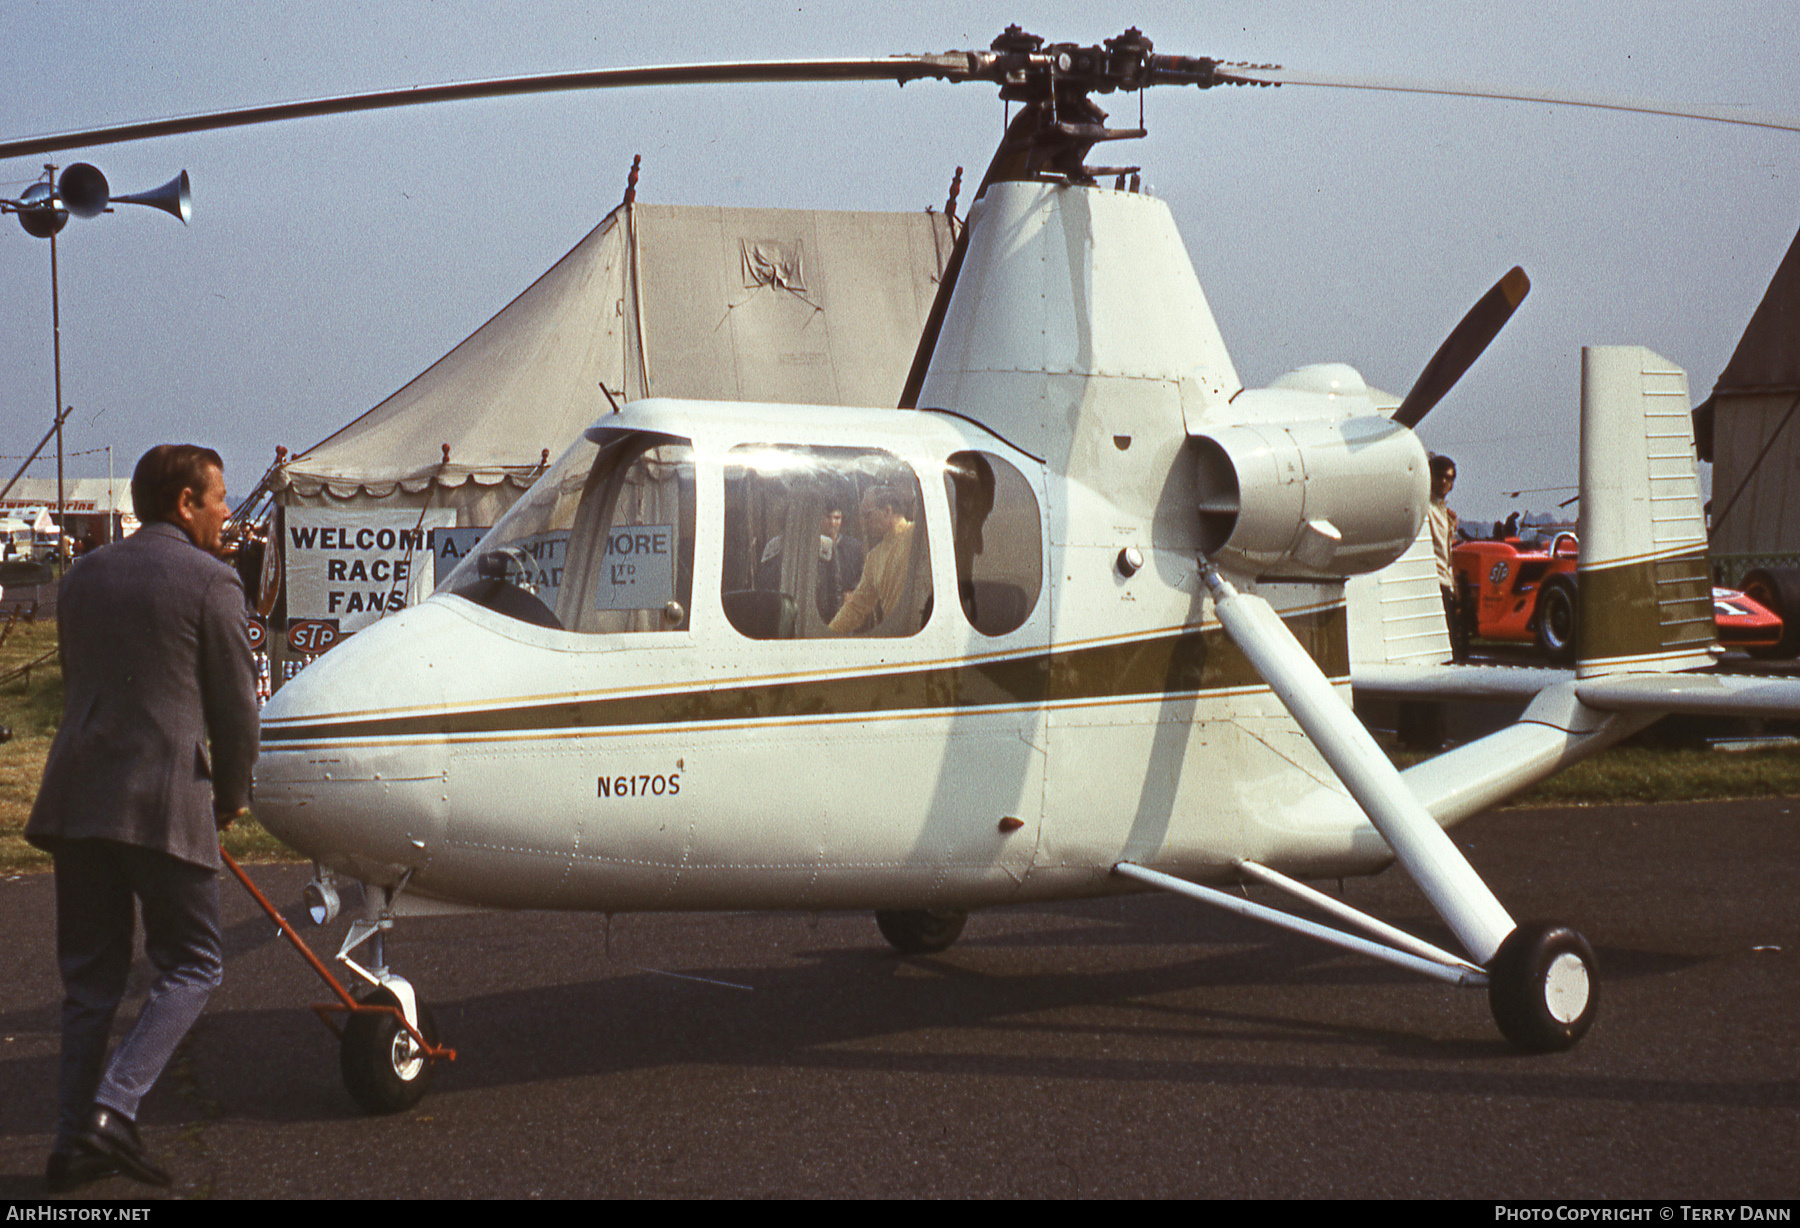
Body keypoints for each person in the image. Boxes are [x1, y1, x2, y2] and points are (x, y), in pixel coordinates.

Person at [26, 444, 259, 1192]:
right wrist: (231, 795)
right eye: (219, 496)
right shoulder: (212, 582)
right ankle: (112, 1111)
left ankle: (71, 1147)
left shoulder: (84, 575)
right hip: (164, 799)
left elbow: (87, 682)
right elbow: (236, 710)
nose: (229, 510)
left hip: (77, 796)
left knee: (90, 983)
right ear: (185, 502)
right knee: (194, 963)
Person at [828, 485, 924, 634]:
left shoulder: (918, 536)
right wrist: (828, 634)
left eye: (868, 516)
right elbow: (856, 607)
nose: (864, 523)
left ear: (887, 511)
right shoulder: (874, 558)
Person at [1427, 453, 1468, 663]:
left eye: (1449, 478)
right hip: (1434, 581)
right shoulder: (1426, 509)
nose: (1444, 481)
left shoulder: (1445, 513)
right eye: (1439, 476)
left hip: (1446, 580)